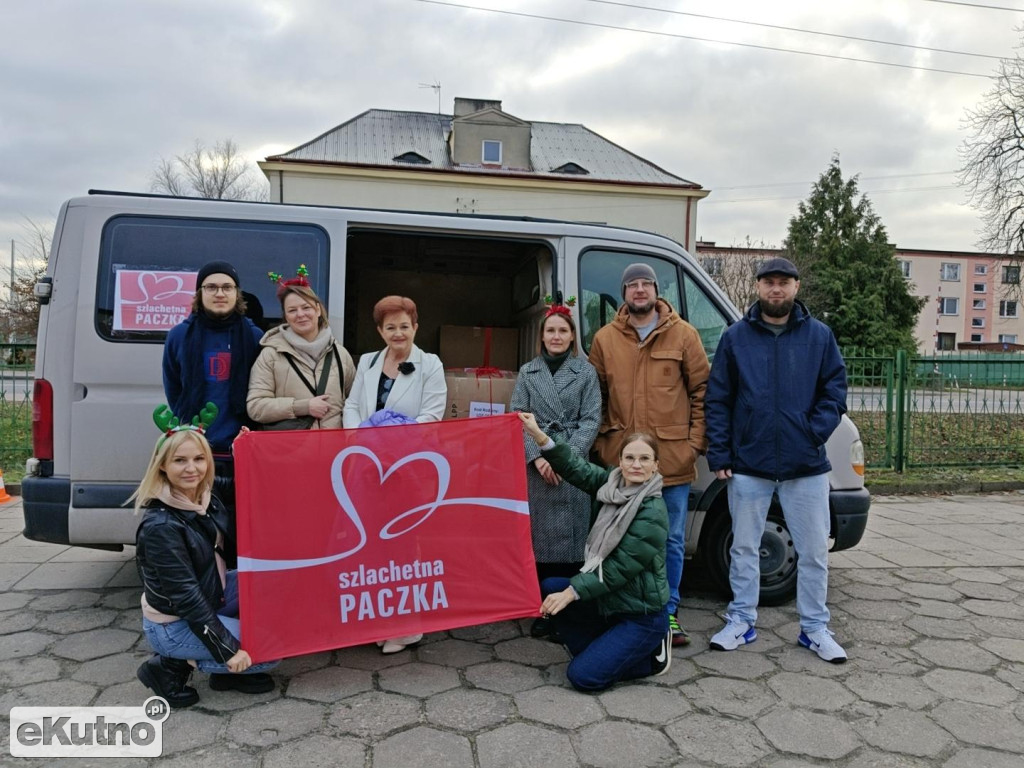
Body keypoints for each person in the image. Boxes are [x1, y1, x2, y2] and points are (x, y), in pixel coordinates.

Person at [705, 257, 849, 664]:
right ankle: (741, 621)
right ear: (758, 288)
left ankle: (815, 629)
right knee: (744, 547)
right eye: (769, 282)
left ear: (796, 288)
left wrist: (810, 432)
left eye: (784, 282)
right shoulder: (736, 338)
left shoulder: (819, 337)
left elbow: (834, 392)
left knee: (814, 551)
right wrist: (720, 452)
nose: (776, 289)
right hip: (749, 463)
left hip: (805, 466)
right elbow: (718, 399)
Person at [588, 263, 709, 647]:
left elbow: (703, 393)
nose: (639, 290)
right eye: (632, 285)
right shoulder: (605, 339)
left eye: (646, 284)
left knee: (670, 540)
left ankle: (668, 614)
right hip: (620, 463)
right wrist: (601, 445)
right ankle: (620, 611)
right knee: (615, 539)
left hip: (669, 462)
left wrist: (694, 446)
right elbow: (596, 398)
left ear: (657, 290)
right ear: (623, 293)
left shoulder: (684, 335)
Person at [132, 407, 278, 708]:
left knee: (272, 592)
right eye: (180, 460)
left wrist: (248, 451)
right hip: (174, 624)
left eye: (199, 459)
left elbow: (249, 484)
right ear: (162, 466)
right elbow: (187, 599)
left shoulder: (203, 495)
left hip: (214, 591)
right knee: (269, 650)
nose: (191, 469)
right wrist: (228, 650)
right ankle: (171, 667)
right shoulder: (161, 526)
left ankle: (224, 672)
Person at [517, 412, 672, 692]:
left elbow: (618, 568)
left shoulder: (653, 512)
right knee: (551, 586)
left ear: (656, 466)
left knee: (584, 677)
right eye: (630, 458)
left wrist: (572, 591)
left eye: (644, 459)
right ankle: (609, 649)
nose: (636, 465)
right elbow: (576, 467)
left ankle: (650, 657)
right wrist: (539, 435)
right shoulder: (610, 485)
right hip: (610, 603)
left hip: (641, 614)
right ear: (620, 462)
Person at [342, 295, 447, 653]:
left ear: (415, 327)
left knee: (403, 545)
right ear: (380, 331)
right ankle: (374, 619)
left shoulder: (430, 364)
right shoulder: (368, 361)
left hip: (408, 469)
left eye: (405, 326)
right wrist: (363, 438)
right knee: (370, 544)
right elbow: (352, 406)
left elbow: (432, 416)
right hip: (368, 467)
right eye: (390, 327)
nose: (398, 333)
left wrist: (391, 441)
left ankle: (406, 627)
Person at [509, 303, 601, 639]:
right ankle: (541, 610)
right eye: (551, 331)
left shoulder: (585, 372)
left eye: (563, 330)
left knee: (573, 542)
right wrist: (538, 456)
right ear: (542, 336)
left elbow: (591, 420)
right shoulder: (527, 372)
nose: (557, 336)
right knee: (540, 542)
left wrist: (564, 458)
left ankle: (570, 610)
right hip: (538, 467)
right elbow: (517, 417)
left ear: (573, 336)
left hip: (572, 467)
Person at [162, 261, 262, 556]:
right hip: (198, 454)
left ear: (237, 294)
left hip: (240, 452)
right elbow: (173, 388)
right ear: (199, 293)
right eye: (212, 287)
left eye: (227, 287)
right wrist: (191, 432)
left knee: (241, 533)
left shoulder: (254, 336)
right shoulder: (179, 335)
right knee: (199, 535)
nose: (220, 293)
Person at [247, 272, 355, 429]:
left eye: (306, 307)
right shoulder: (270, 355)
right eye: (292, 310)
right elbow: (255, 407)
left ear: (318, 310)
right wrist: (303, 406)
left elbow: (355, 404)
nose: (300, 314)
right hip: (290, 450)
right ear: (286, 316)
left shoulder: (341, 355)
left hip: (333, 450)